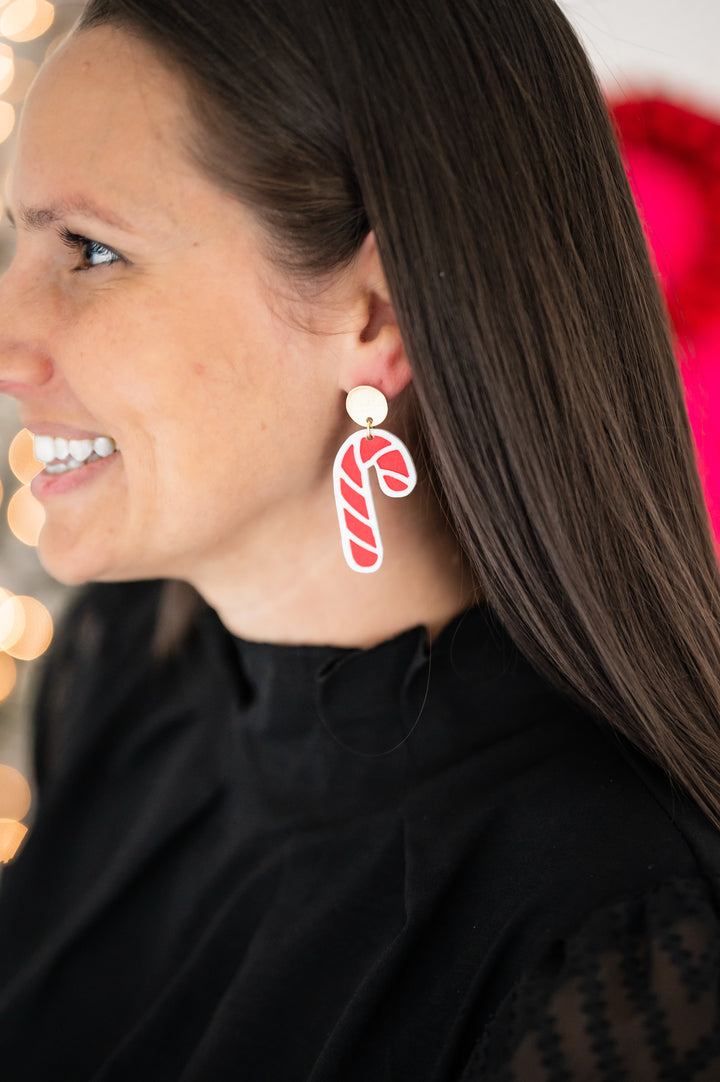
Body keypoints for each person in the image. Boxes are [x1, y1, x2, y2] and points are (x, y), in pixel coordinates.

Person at [0, 0, 719, 1077]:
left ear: (378, 313)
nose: (9, 343)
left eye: (93, 250)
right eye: (16, 239)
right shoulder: (125, 664)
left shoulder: (629, 939)